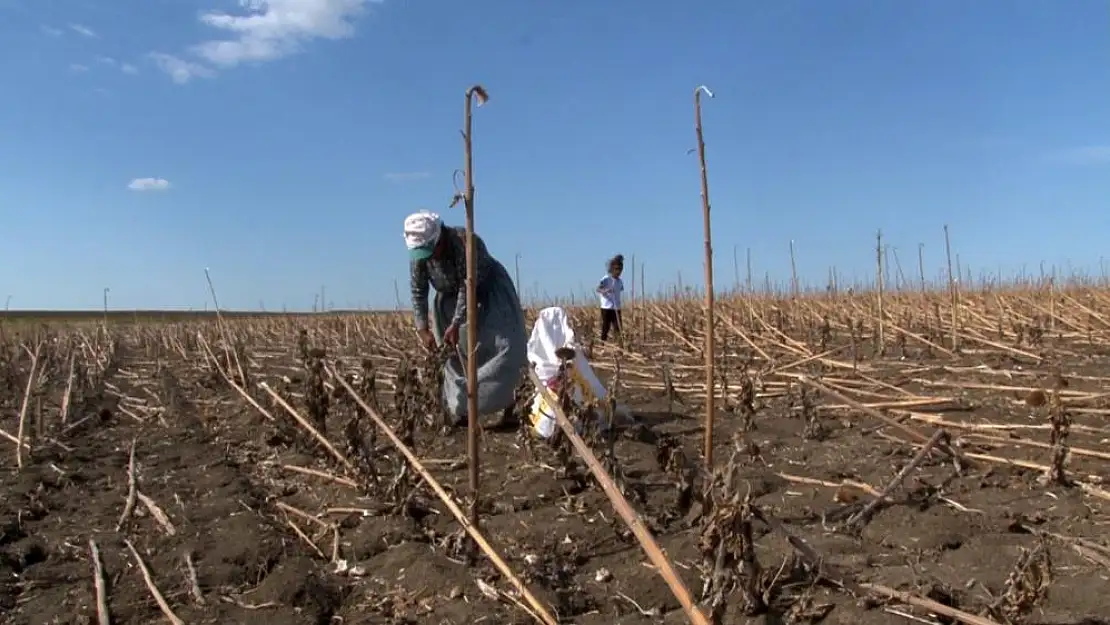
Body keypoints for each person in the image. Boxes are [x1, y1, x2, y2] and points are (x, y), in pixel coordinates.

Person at [404, 210, 527, 427]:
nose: (428, 258)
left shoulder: (465, 244)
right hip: (449, 300)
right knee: (454, 355)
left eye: (430, 251)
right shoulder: (419, 257)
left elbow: (466, 286)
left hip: (488, 293)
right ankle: (461, 408)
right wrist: (422, 327)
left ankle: (511, 403)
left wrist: (456, 322)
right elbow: (418, 290)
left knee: (504, 347)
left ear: (439, 238)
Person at [596, 254, 625, 342]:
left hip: (616, 307)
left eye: (620, 269)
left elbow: (620, 290)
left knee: (618, 328)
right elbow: (598, 289)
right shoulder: (606, 279)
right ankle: (602, 343)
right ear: (612, 269)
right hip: (606, 308)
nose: (618, 272)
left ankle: (620, 346)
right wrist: (605, 291)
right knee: (606, 327)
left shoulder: (619, 281)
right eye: (616, 269)